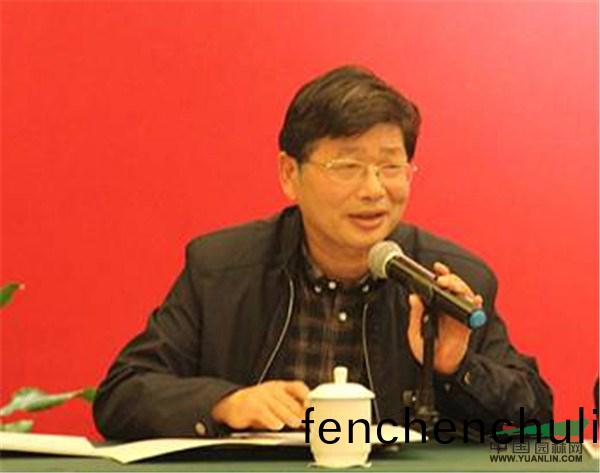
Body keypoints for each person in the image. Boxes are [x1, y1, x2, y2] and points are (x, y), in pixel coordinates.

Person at [93, 65, 553, 440]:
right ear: (289, 174)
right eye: (348, 166)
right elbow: (123, 393)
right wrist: (224, 403)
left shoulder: (445, 280)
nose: (373, 189)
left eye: (390, 166)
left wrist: (456, 367)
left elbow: (534, 417)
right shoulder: (220, 270)